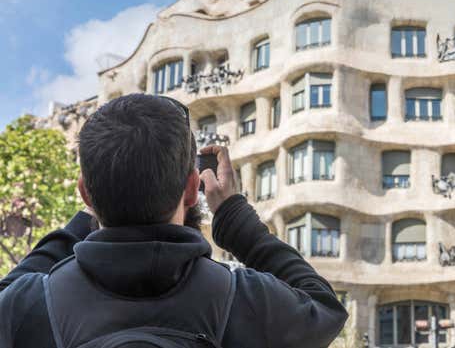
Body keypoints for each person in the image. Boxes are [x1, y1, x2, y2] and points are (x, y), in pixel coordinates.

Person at [0, 94, 348, 347]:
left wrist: (79, 224)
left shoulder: (28, 305)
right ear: (193, 188)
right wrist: (234, 218)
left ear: (85, 194)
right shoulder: (245, 300)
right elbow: (325, 307)